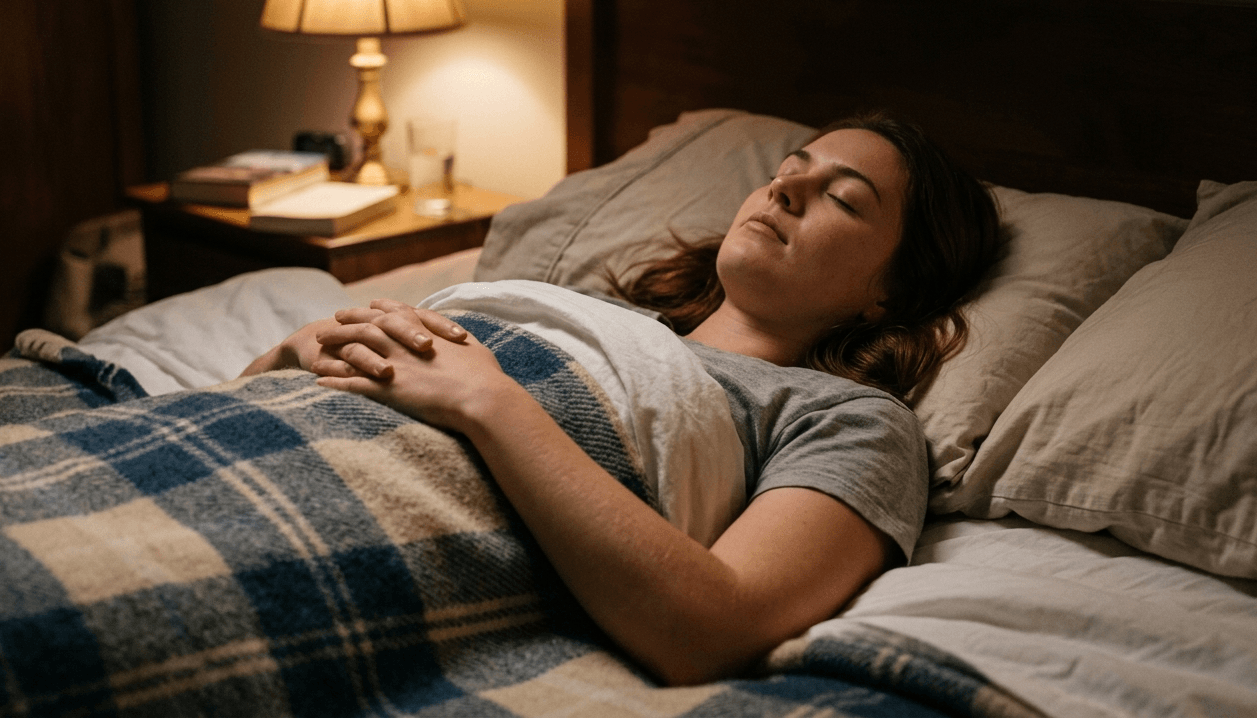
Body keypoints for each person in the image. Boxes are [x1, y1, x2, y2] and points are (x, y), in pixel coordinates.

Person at [242, 113, 1001, 686]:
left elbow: (716, 629)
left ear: (889, 293)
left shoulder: (850, 418)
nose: (786, 188)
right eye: (790, 169)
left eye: (842, 197)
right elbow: (244, 398)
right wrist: (292, 353)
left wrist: (492, 405)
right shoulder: (590, 319)